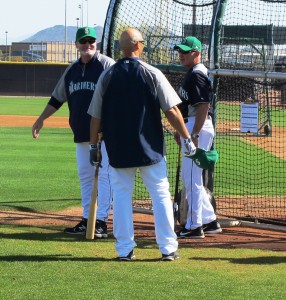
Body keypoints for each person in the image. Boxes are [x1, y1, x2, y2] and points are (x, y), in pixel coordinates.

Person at [88, 28, 195, 261]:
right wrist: (187, 138)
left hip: (118, 149)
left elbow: (95, 116)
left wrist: (93, 147)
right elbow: (172, 110)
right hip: (150, 148)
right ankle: (168, 248)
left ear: (122, 47)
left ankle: (125, 249)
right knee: (159, 194)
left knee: (122, 196)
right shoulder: (151, 72)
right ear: (138, 45)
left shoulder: (107, 75)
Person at [32, 27, 115, 238]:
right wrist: (41, 119)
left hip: (105, 134)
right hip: (81, 133)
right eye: (83, 41)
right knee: (86, 177)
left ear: (96, 43)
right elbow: (57, 98)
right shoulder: (72, 70)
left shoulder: (106, 65)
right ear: (76, 45)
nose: (88, 44)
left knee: (104, 177)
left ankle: (102, 222)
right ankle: (88, 219)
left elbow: (119, 94)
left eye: (91, 41)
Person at [173, 36, 222, 239]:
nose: (181, 54)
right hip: (193, 126)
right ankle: (209, 220)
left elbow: (203, 106)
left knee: (192, 177)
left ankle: (194, 225)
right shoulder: (193, 73)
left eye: (186, 51)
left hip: (198, 127)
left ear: (197, 53)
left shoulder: (197, 75)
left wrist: (193, 134)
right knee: (192, 177)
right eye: (180, 51)